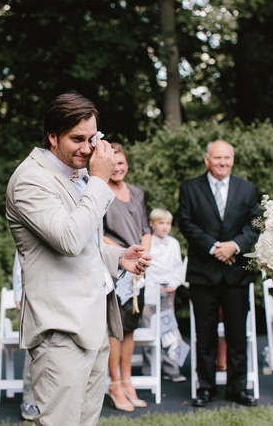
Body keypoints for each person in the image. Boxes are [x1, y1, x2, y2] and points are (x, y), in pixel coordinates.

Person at [5, 92, 150, 425]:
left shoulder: (77, 175)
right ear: (53, 136)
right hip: (60, 329)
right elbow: (68, 239)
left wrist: (117, 256)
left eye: (92, 139)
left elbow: (84, 240)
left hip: (93, 321)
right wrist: (99, 180)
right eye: (77, 139)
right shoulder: (30, 180)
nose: (88, 148)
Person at [177, 140, 259, 407]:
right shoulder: (190, 188)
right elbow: (186, 223)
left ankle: (238, 388)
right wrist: (214, 248)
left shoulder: (247, 189)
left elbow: (255, 224)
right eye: (217, 158)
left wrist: (234, 246)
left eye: (227, 158)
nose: (222, 162)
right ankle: (206, 388)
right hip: (204, 273)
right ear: (207, 160)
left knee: (237, 335)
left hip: (237, 273)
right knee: (205, 335)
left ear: (232, 160)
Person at [102, 143, 152, 412]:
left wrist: (143, 257)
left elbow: (146, 228)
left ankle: (128, 381)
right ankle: (114, 385)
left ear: (127, 164)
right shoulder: (100, 193)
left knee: (130, 328)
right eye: (113, 164)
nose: (117, 168)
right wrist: (124, 257)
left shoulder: (136, 193)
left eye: (121, 163)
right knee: (115, 329)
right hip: (115, 267)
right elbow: (97, 234)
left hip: (138, 269)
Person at [140, 208, 186, 383]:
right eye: (161, 223)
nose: (165, 227)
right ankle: (149, 368)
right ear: (152, 224)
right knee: (148, 328)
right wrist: (151, 287)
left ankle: (171, 369)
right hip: (151, 291)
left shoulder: (173, 243)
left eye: (168, 223)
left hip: (168, 292)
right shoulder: (147, 242)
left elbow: (177, 266)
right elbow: (144, 267)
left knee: (169, 329)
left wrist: (173, 284)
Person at [12, 252, 40, 421]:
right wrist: (18, 291)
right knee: (33, 348)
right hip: (33, 292)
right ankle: (30, 400)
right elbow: (21, 255)